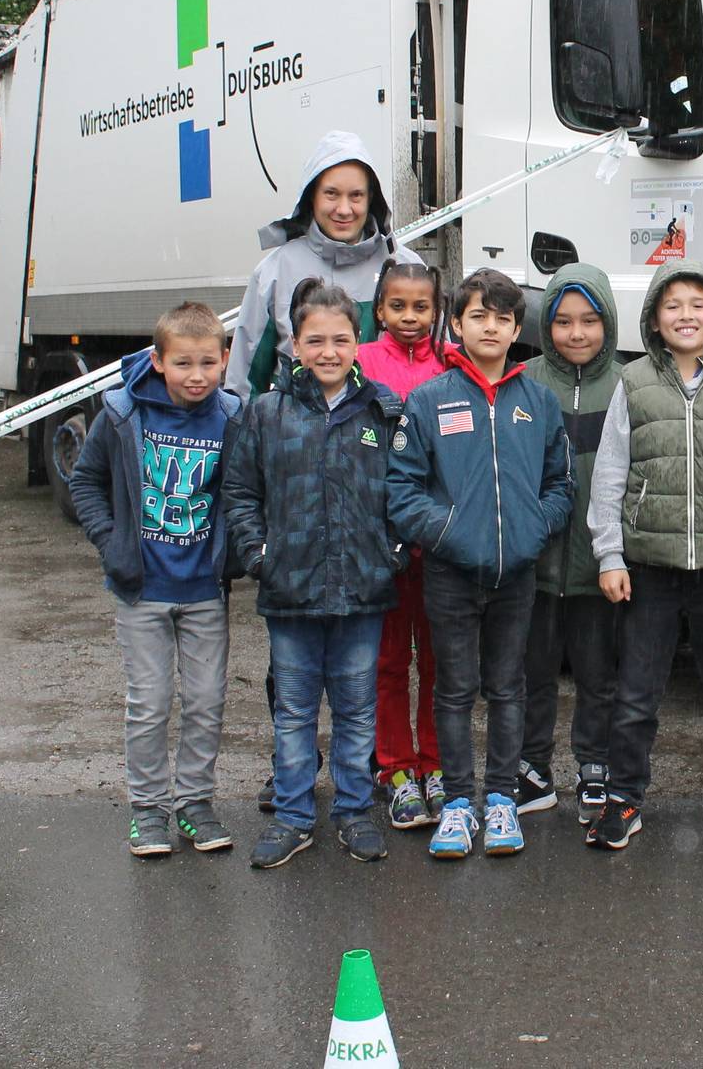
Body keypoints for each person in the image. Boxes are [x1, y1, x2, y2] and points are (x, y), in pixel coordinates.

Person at [586, 261, 703, 850]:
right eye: (673, 306)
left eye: (698, 305)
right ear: (653, 319)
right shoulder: (633, 382)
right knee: (637, 693)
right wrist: (609, 554)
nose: (686, 315)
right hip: (648, 567)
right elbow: (610, 472)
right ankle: (623, 799)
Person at [387, 269, 575, 860]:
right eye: (477, 316)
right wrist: (449, 534)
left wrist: (531, 530)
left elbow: (560, 484)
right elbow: (403, 491)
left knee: (507, 686)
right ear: (457, 324)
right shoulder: (428, 400)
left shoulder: (537, 402)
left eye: (502, 318)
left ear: (518, 328)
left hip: (516, 573)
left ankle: (500, 801)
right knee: (453, 688)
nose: (490, 327)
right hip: (448, 572)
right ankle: (459, 805)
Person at [222, 282, 406, 868]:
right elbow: (241, 492)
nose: (329, 351)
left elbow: (406, 489)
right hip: (290, 591)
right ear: (295, 345)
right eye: (316, 340)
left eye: (341, 339)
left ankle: (354, 811)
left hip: (364, 589)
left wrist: (392, 550)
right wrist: (258, 555)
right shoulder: (266, 413)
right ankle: (294, 816)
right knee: (295, 712)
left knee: (357, 710)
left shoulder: (383, 410)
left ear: (359, 342)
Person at [68, 303, 243, 859]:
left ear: (225, 361)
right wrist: (111, 545)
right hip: (141, 589)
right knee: (150, 702)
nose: (196, 376)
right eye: (183, 363)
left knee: (207, 701)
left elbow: (242, 495)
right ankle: (148, 811)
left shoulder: (233, 419)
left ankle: (195, 804)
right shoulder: (122, 416)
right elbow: (85, 484)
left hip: (205, 590)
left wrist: (237, 555)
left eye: (207, 363)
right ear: (158, 361)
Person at [520, 263, 625, 826]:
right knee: (532, 672)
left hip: (598, 566)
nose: (576, 333)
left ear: (608, 321)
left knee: (596, 673)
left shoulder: (627, 384)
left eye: (589, 320)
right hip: (535, 564)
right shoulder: (526, 381)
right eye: (562, 321)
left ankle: (594, 764)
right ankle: (532, 767)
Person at [355, 262, 450, 832]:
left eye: (421, 307)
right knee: (389, 663)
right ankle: (395, 770)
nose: (410, 318)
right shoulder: (361, 363)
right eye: (398, 307)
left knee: (439, 662)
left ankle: (435, 764)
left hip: (437, 544)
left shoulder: (451, 363)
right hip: (379, 542)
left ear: (437, 310)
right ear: (379, 308)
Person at [225, 130, 422, 397]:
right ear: (312, 196)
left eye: (356, 196)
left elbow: (440, 366)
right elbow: (246, 382)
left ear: (371, 198)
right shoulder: (275, 272)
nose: (344, 209)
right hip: (298, 436)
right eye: (331, 194)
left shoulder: (405, 269)